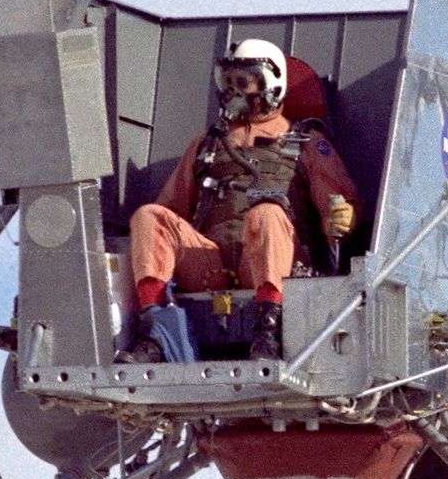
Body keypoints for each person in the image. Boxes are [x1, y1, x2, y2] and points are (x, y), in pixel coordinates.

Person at [118, 39, 361, 363]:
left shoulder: (306, 143)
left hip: (276, 264)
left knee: (268, 214)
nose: (233, 91)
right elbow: (170, 211)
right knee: (149, 216)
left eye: (243, 82)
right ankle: (156, 330)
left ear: (270, 84)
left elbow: (341, 204)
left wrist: (342, 216)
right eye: (228, 82)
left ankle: (268, 332)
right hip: (211, 267)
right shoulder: (207, 146)